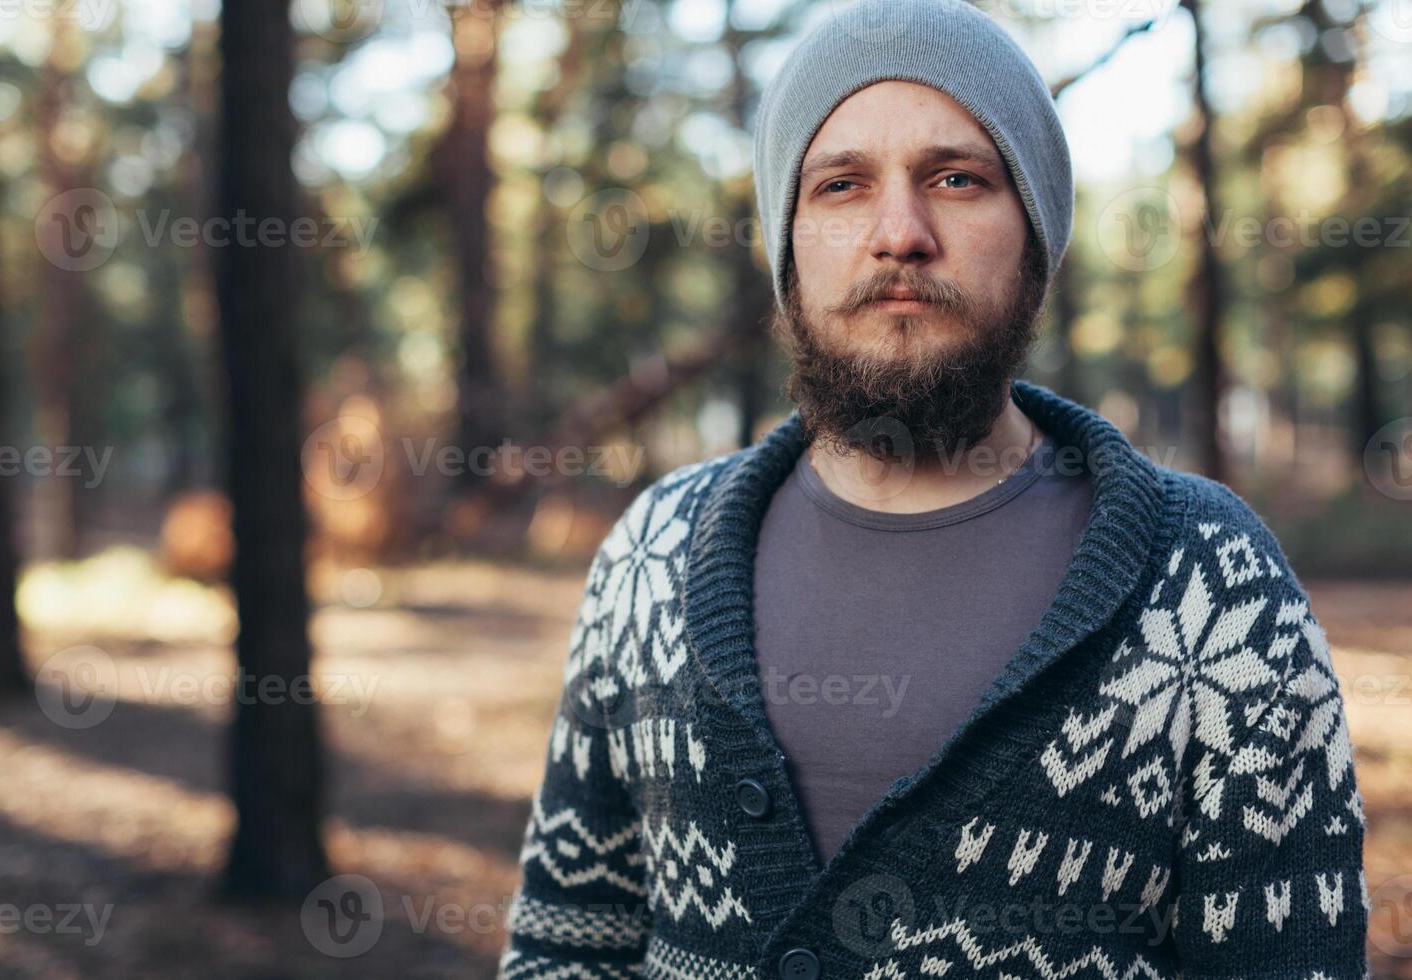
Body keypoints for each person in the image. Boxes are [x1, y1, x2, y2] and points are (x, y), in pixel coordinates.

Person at [497, 0, 1369, 976]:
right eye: (841, 184)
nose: (899, 232)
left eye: (958, 178)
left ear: (1035, 236)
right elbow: (566, 944)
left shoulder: (1215, 586)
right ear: (786, 245)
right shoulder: (650, 555)